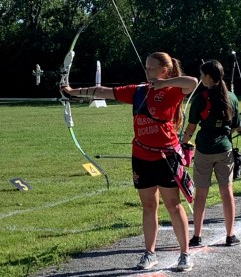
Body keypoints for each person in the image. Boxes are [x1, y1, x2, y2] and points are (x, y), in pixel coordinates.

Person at [61, 52, 198, 271]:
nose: (147, 71)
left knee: (173, 205)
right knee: (149, 205)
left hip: (166, 156)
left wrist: (163, 83)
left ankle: (184, 254)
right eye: (146, 67)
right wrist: (71, 91)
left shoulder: (173, 90)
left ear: (164, 69)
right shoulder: (138, 91)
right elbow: (103, 91)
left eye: (152, 68)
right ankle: (149, 253)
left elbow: (192, 82)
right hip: (141, 156)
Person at [182, 60, 241, 247]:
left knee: (201, 194)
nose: (200, 78)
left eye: (202, 75)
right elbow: (237, 127)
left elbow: (191, 128)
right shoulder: (231, 97)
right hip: (225, 150)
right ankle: (230, 235)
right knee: (227, 192)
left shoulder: (200, 98)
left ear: (208, 77)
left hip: (204, 151)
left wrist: (182, 143)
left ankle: (197, 236)